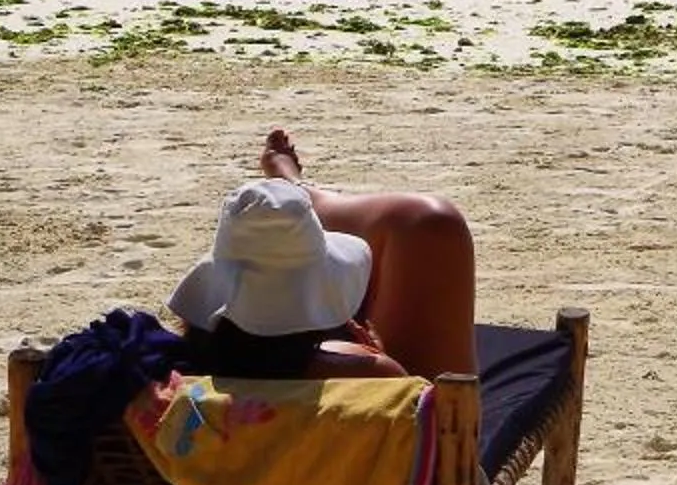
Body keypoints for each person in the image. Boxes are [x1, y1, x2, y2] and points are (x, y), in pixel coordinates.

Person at [165, 131, 479, 382]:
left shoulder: (176, 380)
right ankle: (300, 196)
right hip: (374, 453)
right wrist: (377, 355)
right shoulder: (363, 372)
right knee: (429, 222)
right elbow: (421, 418)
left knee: (423, 222)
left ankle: (296, 195)